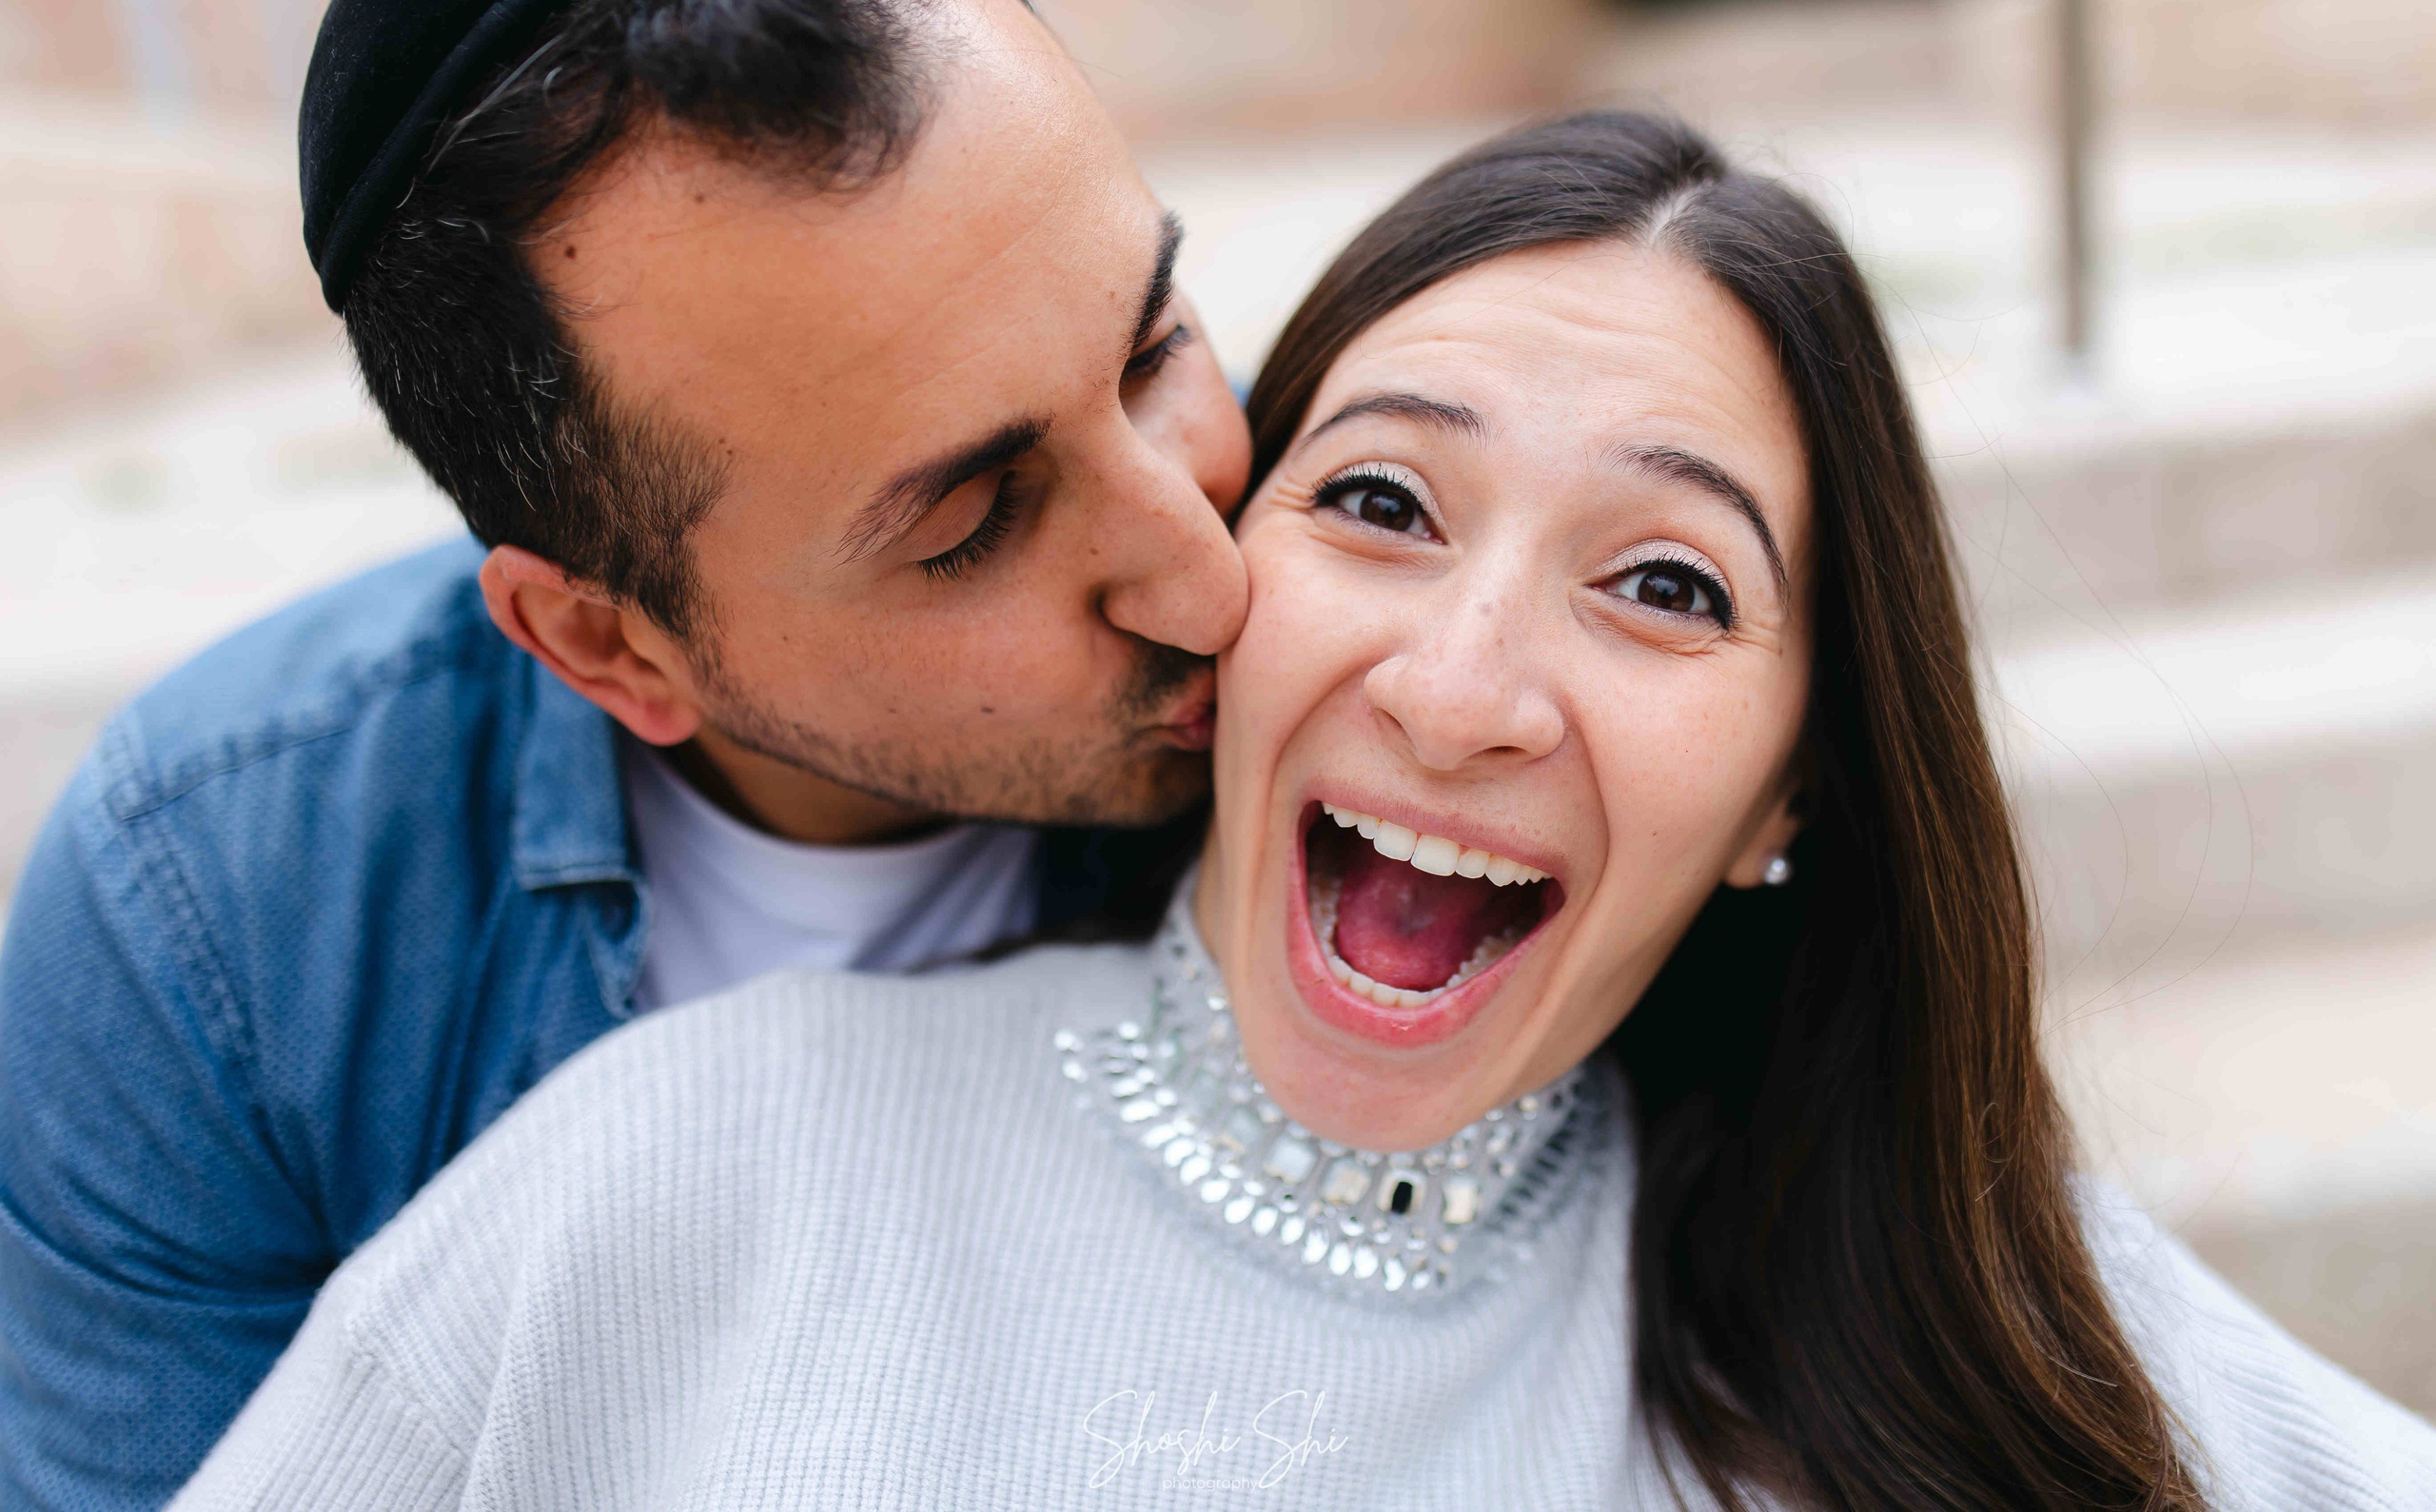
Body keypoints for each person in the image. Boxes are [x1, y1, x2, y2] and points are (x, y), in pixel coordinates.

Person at [171, 112, 2436, 1510]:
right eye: (1377, 501)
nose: (1455, 690)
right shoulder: (676, 1172)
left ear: (1790, 784)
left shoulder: (1959, 1315)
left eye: (1663, 584)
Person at [0, 0, 1248, 1504]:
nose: (1211, 581)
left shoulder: (1409, 643)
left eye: (1154, 350)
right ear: (607, 650)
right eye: (966, 524)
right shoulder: (220, 922)